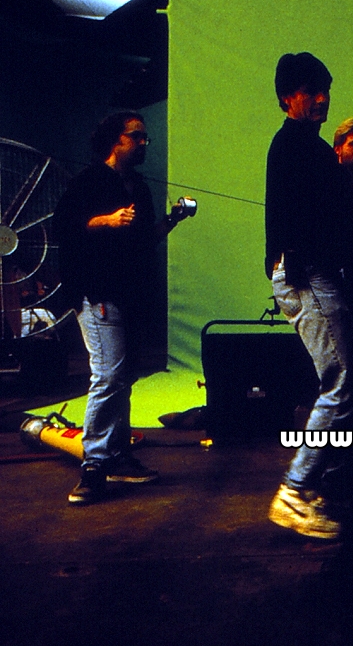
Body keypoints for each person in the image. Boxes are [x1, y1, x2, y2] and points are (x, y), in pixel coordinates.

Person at [264, 52, 353, 541]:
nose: (322, 98)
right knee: (342, 380)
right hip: (307, 275)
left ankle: (319, 486)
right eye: (311, 91)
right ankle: (295, 491)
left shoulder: (306, 148)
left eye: (325, 89)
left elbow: (347, 212)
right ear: (288, 98)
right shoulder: (299, 147)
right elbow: (347, 211)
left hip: (310, 273)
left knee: (340, 382)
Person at [54, 111, 193, 505]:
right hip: (97, 294)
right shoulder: (89, 181)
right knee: (108, 376)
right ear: (116, 140)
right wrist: (107, 221)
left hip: (130, 296)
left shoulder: (139, 187)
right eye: (137, 136)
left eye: (146, 137)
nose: (144, 142)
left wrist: (173, 219)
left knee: (123, 377)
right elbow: (64, 227)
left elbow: (145, 239)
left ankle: (118, 455)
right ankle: (94, 465)